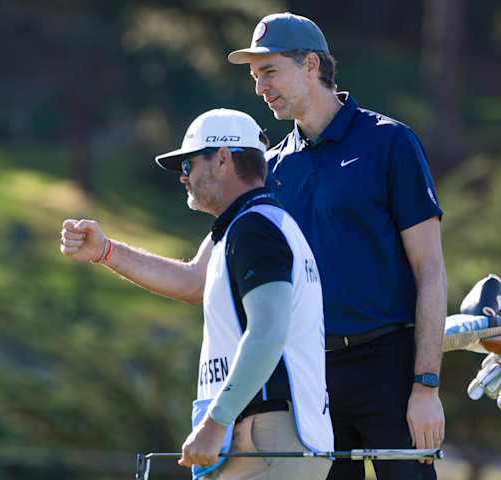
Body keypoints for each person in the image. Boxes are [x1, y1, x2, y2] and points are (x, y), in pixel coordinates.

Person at [227, 12, 447, 480]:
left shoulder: (390, 143)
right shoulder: (271, 169)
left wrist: (425, 386)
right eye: (254, 76)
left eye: (269, 72)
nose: (259, 88)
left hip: (389, 366)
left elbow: (430, 269)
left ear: (310, 64)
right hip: (310, 380)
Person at [60, 109, 332, 479]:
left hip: (265, 437)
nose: (183, 177)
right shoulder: (246, 225)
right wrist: (106, 251)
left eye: (188, 164)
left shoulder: (253, 228)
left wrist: (215, 422)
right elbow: (192, 281)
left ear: (223, 158)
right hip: (268, 435)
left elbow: (268, 332)